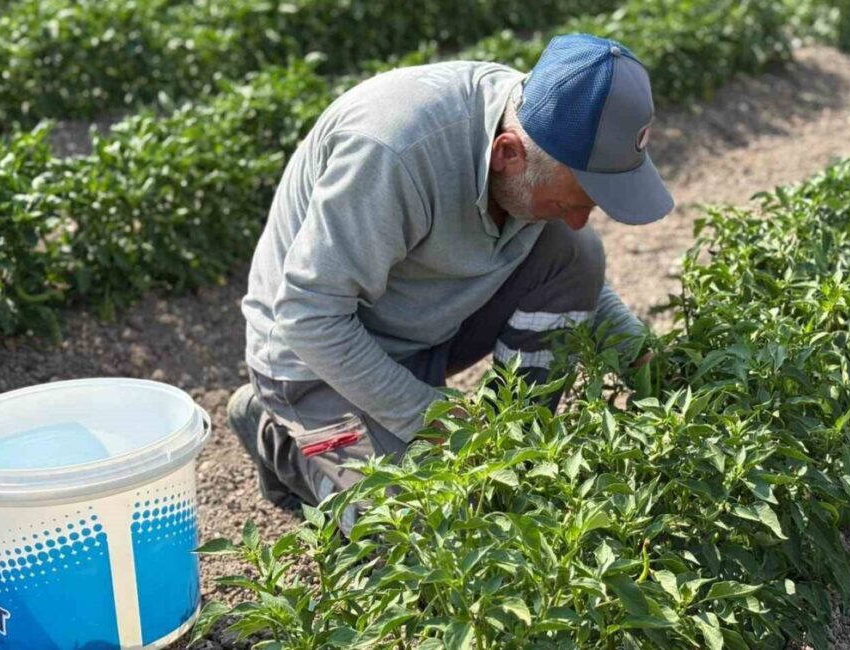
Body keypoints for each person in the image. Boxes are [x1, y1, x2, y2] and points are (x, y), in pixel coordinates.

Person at [227, 33, 674, 513]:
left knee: (576, 250)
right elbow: (308, 317)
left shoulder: (538, 124)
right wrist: (434, 420)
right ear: (508, 154)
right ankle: (279, 434)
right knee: (424, 527)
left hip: (421, 333)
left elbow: (573, 272)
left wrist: (645, 360)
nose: (579, 218)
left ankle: (520, 449)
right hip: (315, 361)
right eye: (569, 203)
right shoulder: (390, 153)